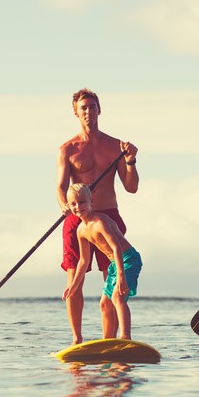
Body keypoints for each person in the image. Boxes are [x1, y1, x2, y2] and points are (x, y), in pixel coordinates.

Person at [57, 88, 138, 345]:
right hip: (78, 218)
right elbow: (60, 187)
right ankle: (77, 339)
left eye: (92, 107)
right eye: (83, 108)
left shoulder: (115, 147)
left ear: (99, 110)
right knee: (75, 278)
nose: (88, 112)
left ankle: (110, 340)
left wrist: (131, 161)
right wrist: (64, 205)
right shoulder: (68, 149)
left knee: (113, 279)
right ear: (75, 113)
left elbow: (131, 187)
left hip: (108, 216)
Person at [63, 183, 143, 341]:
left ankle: (125, 338)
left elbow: (116, 247)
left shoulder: (100, 222)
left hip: (128, 259)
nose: (78, 206)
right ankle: (108, 342)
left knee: (117, 298)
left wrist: (121, 276)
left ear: (91, 201)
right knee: (104, 304)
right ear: (68, 205)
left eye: (82, 202)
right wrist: (74, 285)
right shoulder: (81, 230)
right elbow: (84, 261)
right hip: (115, 265)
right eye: (73, 203)